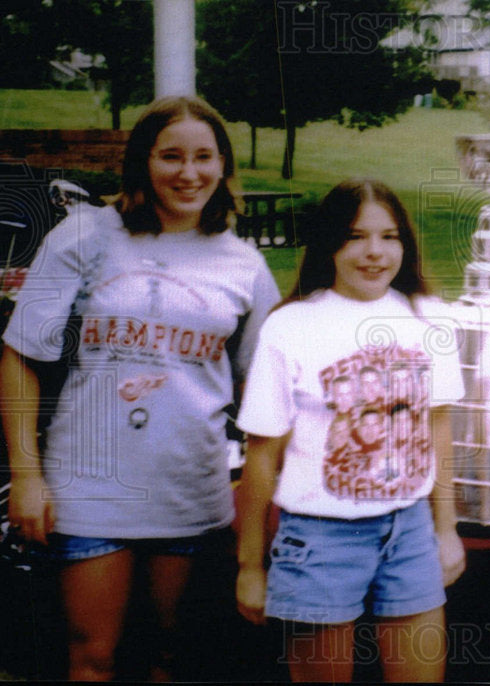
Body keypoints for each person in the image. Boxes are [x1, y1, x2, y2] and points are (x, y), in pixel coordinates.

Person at [0, 95, 280, 681]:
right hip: (89, 487)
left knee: (170, 657)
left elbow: (269, 391)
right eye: (170, 156)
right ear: (142, 162)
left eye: (205, 157)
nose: (188, 172)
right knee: (91, 657)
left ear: (224, 166)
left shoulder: (243, 263)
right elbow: (21, 355)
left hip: (191, 494)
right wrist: (27, 475)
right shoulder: (84, 236)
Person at [234, 178, 466, 683]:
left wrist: (446, 530)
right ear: (329, 244)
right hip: (319, 538)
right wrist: (251, 566)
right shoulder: (291, 324)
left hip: (409, 533)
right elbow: (261, 456)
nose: (374, 252)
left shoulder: (431, 318)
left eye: (389, 236)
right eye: (356, 236)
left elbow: (439, 431)